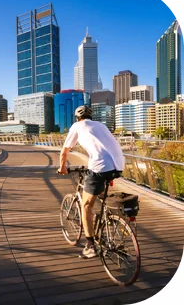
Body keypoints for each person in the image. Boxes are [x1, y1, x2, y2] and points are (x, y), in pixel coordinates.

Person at [57, 105, 125, 259]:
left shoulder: (77, 126)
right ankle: (108, 220)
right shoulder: (100, 125)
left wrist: (62, 168)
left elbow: (65, 150)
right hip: (118, 164)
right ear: (91, 116)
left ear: (77, 117)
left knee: (86, 206)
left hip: (100, 166)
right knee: (98, 191)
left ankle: (90, 246)